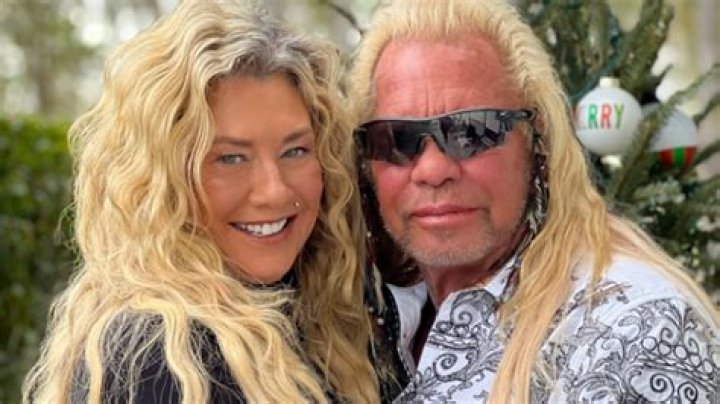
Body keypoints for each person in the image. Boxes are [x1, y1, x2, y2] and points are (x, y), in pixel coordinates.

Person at [350, 0, 720, 402]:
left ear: (536, 140)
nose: (433, 169)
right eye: (397, 138)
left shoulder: (636, 331)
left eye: (473, 131)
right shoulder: (355, 323)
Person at [22, 1, 382, 402]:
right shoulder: (163, 362)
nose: (275, 191)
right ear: (161, 180)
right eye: (230, 158)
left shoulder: (312, 318)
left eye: (295, 151)